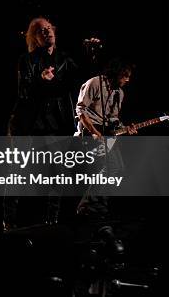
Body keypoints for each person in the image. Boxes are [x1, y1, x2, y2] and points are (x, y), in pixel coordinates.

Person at [5, 18, 78, 227]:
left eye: (49, 28)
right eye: (41, 31)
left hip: (55, 124)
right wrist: (41, 80)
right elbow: (23, 92)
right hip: (29, 124)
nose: (47, 32)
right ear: (35, 38)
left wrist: (92, 55)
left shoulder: (65, 60)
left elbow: (77, 82)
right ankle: (9, 221)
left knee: (57, 174)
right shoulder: (27, 60)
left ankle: (52, 220)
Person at [74, 58, 137, 254]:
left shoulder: (120, 93)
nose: (127, 80)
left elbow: (113, 119)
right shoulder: (95, 83)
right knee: (106, 168)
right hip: (90, 134)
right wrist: (93, 131)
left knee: (117, 169)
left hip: (108, 136)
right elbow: (80, 110)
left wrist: (127, 128)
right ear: (116, 72)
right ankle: (90, 207)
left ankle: (94, 206)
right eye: (125, 75)